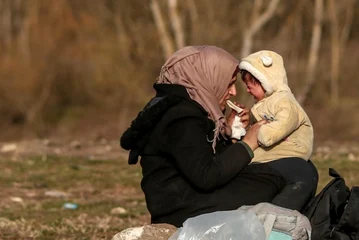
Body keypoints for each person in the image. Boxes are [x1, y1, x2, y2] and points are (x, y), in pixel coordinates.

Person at [120, 46, 288, 227]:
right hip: (182, 211)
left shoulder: (189, 109)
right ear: (208, 79)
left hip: (189, 201)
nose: (233, 92)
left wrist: (230, 136)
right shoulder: (179, 117)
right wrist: (248, 143)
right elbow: (207, 175)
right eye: (229, 83)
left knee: (282, 171)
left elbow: (202, 160)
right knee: (279, 178)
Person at [238, 50, 318, 211]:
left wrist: (258, 132)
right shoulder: (265, 103)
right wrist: (247, 126)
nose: (247, 90)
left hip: (287, 153)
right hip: (271, 156)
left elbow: (276, 128)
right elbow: (259, 126)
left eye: (250, 85)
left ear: (265, 80)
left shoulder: (285, 102)